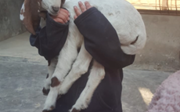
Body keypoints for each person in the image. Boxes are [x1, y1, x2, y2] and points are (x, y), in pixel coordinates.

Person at [30, 1, 135, 112]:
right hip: (62, 103)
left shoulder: (118, 7)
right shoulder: (56, 5)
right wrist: (54, 25)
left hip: (103, 103)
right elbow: (43, 48)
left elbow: (126, 57)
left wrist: (95, 24)